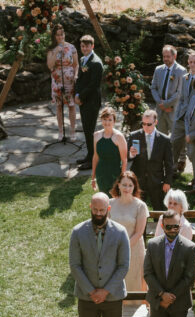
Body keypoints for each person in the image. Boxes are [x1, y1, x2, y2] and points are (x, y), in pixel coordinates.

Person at [68, 193, 129, 317]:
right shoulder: (78, 232)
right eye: (95, 210)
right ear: (90, 208)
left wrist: (105, 291)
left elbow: (123, 266)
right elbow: (75, 265)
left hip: (113, 296)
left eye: (102, 210)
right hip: (87, 297)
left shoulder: (120, 232)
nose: (99, 214)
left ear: (108, 210)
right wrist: (91, 290)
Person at [144, 210, 195, 317]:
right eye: (169, 226)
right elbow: (148, 273)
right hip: (158, 300)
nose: (173, 229)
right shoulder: (152, 245)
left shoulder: (189, 247)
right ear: (162, 226)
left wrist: (171, 297)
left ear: (180, 225)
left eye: (176, 226)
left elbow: (189, 278)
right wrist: (162, 294)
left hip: (179, 301)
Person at [109, 171, 149, 298]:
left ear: (134, 187)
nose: (127, 188)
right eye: (124, 185)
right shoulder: (110, 204)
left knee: (133, 279)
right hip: (113, 248)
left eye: (130, 185)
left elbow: (139, 232)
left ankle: (136, 309)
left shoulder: (140, 206)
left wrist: (124, 247)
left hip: (134, 248)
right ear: (118, 185)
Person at [171, 50, 195, 178]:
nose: (192, 64)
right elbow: (181, 98)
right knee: (173, 144)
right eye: (190, 62)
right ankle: (171, 172)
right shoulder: (185, 77)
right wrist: (177, 114)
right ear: (188, 63)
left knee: (193, 152)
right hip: (181, 119)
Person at [127, 110, 173, 211]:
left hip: (156, 181)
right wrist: (131, 154)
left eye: (149, 124)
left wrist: (167, 181)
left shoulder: (164, 140)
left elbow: (169, 163)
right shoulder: (134, 136)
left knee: (159, 209)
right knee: (137, 211)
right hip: (139, 180)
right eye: (143, 124)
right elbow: (126, 157)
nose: (145, 127)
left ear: (156, 122)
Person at [74, 35, 104, 170]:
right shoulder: (82, 59)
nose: (84, 48)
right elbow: (80, 79)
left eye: (86, 46)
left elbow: (93, 85)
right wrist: (76, 94)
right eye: (82, 46)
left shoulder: (96, 63)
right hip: (83, 99)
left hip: (91, 101)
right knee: (86, 130)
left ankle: (93, 159)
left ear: (92, 46)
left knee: (91, 131)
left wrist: (81, 96)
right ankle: (89, 155)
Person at [47, 24, 78, 143]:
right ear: (54, 36)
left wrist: (75, 75)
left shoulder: (72, 47)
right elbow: (50, 65)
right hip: (57, 81)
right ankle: (60, 132)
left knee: (71, 105)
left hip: (69, 81)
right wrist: (56, 52)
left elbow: (76, 64)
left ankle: (73, 131)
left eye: (62, 34)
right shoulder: (51, 49)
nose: (60, 37)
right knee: (59, 106)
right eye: (58, 35)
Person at [149, 45, 186, 136]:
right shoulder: (158, 70)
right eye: (164, 56)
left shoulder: (181, 71)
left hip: (173, 110)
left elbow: (180, 92)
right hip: (160, 110)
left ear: (174, 56)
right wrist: (160, 103)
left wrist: (167, 104)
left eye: (168, 56)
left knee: (175, 138)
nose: (165, 59)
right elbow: (153, 88)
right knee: (161, 137)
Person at [90, 106, 126, 195]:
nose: (107, 122)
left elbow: (124, 160)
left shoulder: (119, 137)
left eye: (110, 119)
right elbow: (95, 157)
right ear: (101, 120)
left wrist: (122, 180)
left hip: (115, 174)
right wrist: (93, 177)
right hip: (101, 174)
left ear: (114, 121)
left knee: (115, 201)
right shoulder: (96, 135)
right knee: (104, 201)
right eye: (105, 119)